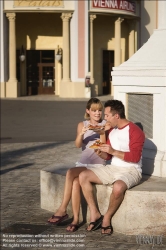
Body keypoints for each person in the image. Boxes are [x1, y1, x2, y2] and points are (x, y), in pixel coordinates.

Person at [79, 100, 145, 235]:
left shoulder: (135, 131)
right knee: (83, 176)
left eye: (107, 115)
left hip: (131, 170)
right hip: (113, 168)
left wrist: (113, 151)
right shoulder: (113, 131)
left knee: (118, 187)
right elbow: (108, 157)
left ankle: (107, 217)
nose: (105, 118)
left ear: (116, 116)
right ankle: (95, 213)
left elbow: (135, 157)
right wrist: (102, 153)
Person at [48, 97, 111, 232]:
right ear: (88, 111)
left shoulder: (106, 124)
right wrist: (81, 134)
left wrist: (102, 133)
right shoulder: (82, 125)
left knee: (70, 172)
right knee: (75, 182)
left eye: (99, 110)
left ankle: (62, 209)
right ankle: (75, 219)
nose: (97, 113)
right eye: (94, 110)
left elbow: (103, 146)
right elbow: (77, 145)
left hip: (98, 165)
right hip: (83, 163)